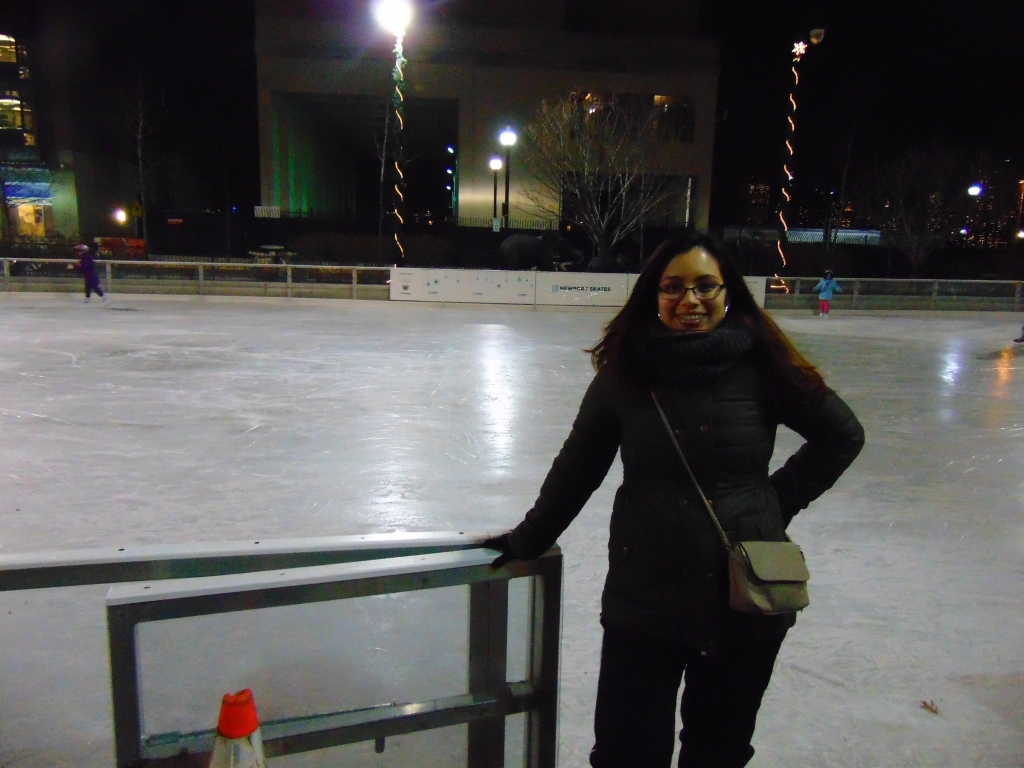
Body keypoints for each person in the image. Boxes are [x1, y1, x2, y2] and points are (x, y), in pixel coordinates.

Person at [485, 233, 864, 768]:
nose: (690, 300)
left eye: (706, 286)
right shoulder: (626, 373)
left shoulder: (763, 365)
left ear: (728, 291)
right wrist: (528, 539)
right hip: (645, 602)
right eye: (674, 287)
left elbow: (842, 435)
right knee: (626, 753)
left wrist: (770, 505)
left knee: (718, 752)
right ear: (653, 296)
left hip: (744, 603)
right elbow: (578, 467)